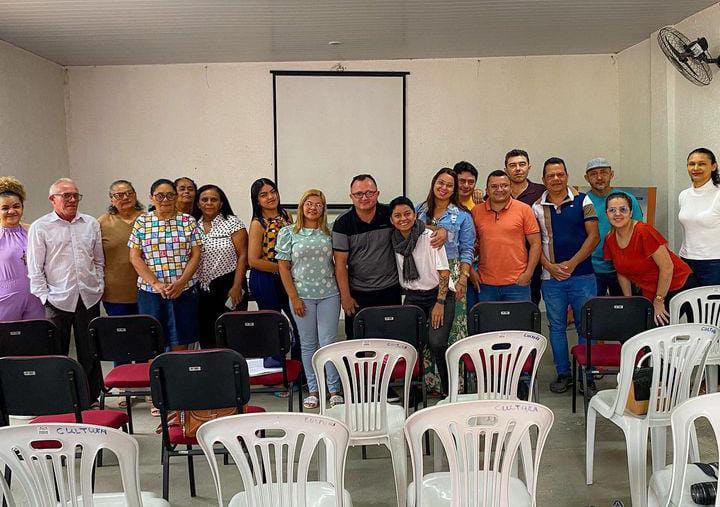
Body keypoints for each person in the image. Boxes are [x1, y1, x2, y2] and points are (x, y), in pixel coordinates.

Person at [27, 178, 105, 403]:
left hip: (88, 296)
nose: (72, 200)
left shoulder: (90, 223)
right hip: (56, 298)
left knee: (90, 351)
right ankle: (61, 399)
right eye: (66, 195)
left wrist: (98, 285)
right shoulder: (40, 227)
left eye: (75, 195)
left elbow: (98, 260)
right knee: (57, 352)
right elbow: (35, 268)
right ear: (52, 199)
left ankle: (91, 398)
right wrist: (44, 297)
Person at [531, 158, 599, 394]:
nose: (556, 179)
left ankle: (587, 374)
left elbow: (594, 237)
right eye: (551, 175)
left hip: (583, 275)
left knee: (586, 327)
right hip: (551, 279)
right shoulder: (536, 207)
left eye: (560, 174)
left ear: (567, 176)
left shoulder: (583, 200)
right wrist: (549, 266)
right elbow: (534, 243)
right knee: (557, 327)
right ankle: (564, 374)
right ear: (543, 180)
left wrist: (572, 263)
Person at [276, 189, 343, 409]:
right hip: (301, 296)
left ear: (323, 209)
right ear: (301, 206)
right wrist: (294, 297)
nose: (313, 208)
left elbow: (339, 263)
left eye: (318, 204)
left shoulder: (330, 232)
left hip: (329, 294)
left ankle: (333, 389)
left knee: (328, 342)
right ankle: (313, 389)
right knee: (308, 344)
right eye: (309, 203)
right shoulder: (288, 233)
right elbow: (284, 268)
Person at [416, 168, 475, 394]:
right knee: (428, 330)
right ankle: (431, 383)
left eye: (450, 185)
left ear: (454, 189)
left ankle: (453, 385)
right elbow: (409, 230)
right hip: (424, 273)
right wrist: (437, 229)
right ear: (433, 183)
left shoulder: (462, 216)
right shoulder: (420, 210)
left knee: (451, 330)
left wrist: (463, 279)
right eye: (440, 183)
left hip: (452, 274)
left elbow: (467, 250)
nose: (444, 188)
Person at [128, 179, 203, 354]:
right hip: (150, 291)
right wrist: (155, 283)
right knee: (153, 343)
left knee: (180, 340)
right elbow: (134, 257)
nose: (165, 200)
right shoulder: (142, 221)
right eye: (160, 196)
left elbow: (196, 255)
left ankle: (178, 372)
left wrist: (181, 282)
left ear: (176, 197)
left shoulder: (188, 221)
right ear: (151, 198)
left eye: (170, 195)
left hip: (182, 290)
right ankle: (157, 372)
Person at [390, 196, 455, 395]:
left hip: (439, 295)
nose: (403, 219)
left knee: (437, 343)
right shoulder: (392, 240)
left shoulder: (430, 237)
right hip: (413, 297)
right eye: (397, 215)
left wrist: (440, 303)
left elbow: (444, 272)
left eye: (407, 214)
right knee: (409, 344)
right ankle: (415, 392)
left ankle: (449, 391)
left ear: (415, 215)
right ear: (391, 220)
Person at [604, 192, 696, 326]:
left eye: (623, 209)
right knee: (634, 325)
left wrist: (659, 300)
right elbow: (621, 272)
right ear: (606, 214)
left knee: (656, 328)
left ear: (631, 213)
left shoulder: (643, 231)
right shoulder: (610, 238)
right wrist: (629, 301)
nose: (617, 214)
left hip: (677, 284)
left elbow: (667, 267)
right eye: (612, 210)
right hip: (650, 289)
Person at [247, 178, 300, 359]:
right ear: (257, 200)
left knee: (298, 319)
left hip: (287, 277)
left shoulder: (286, 215)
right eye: (264, 195)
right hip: (265, 279)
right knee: (272, 325)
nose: (270, 197)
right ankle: (275, 366)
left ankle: (299, 365)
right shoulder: (258, 223)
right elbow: (253, 261)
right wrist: (282, 268)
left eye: (273, 192)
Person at [193, 184, 249, 349]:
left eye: (214, 200)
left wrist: (237, 286)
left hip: (228, 284)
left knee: (231, 335)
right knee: (206, 336)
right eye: (204, 200)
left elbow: (243, 256)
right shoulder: (192, 224)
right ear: (198, 204)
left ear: (221, 203)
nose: (209, 203)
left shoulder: (232, 223)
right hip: (202, 289)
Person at [472, 170, 540, 302]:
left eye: (504, 185)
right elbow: (467, 245)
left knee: (519, 316)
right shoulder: (476, 211)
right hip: (485, 284)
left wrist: (528, 273)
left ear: (511, 188)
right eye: (494, 186)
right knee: (487, 316)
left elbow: (536, 243)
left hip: (517, 283)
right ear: (487, 190)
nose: (499, 189)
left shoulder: (524, 209)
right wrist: (471, 272)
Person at [583, 157, 644, 296]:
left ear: (611, 174)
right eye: (593, 174)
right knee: (593, 308)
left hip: (624, 268)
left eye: (604, 172)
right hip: (591, 268)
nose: (599, 177)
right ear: (586, 178)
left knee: (625, 307)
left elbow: (637, 233)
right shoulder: (583, 201)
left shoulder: (627, 199)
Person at [504, 149, 546, 305]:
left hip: (534, 260)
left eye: (522, 164)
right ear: (506, 170)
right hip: (506, 261)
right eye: (512, 165)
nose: (518, 169)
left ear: (529, 167)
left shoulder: (542, 191)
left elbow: (566, 192)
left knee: (530, 305)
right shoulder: (499, 192)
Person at [98, 180, 144, 317]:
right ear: (111, 199)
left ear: (135, 195)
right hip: (115, 293)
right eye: (119, 195)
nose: (125, 197)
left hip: (147, 290)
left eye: (129, 193)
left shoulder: (148, 220)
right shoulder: (101, 223)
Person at [0, 176, 44, 321]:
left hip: (35, 299)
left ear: (22, 207)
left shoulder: (33, 231)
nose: (11, 211)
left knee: (35, 334)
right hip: (5, 301)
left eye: (16, 206)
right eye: (5, 208)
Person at [678, 147, 720, 286]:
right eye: (692, 164)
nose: (696, 168)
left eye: (702, 164)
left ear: (713, 166)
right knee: (688, 299)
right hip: (686, 260)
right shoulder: (684, 195)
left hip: (714, 263)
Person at [453, 160, 482, 314]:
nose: (466, 185)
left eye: (470, 182)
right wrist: (469, 271)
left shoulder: (480, 204)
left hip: (480, 267)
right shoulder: (446, 206)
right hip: (457, 268)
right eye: (461, 181)